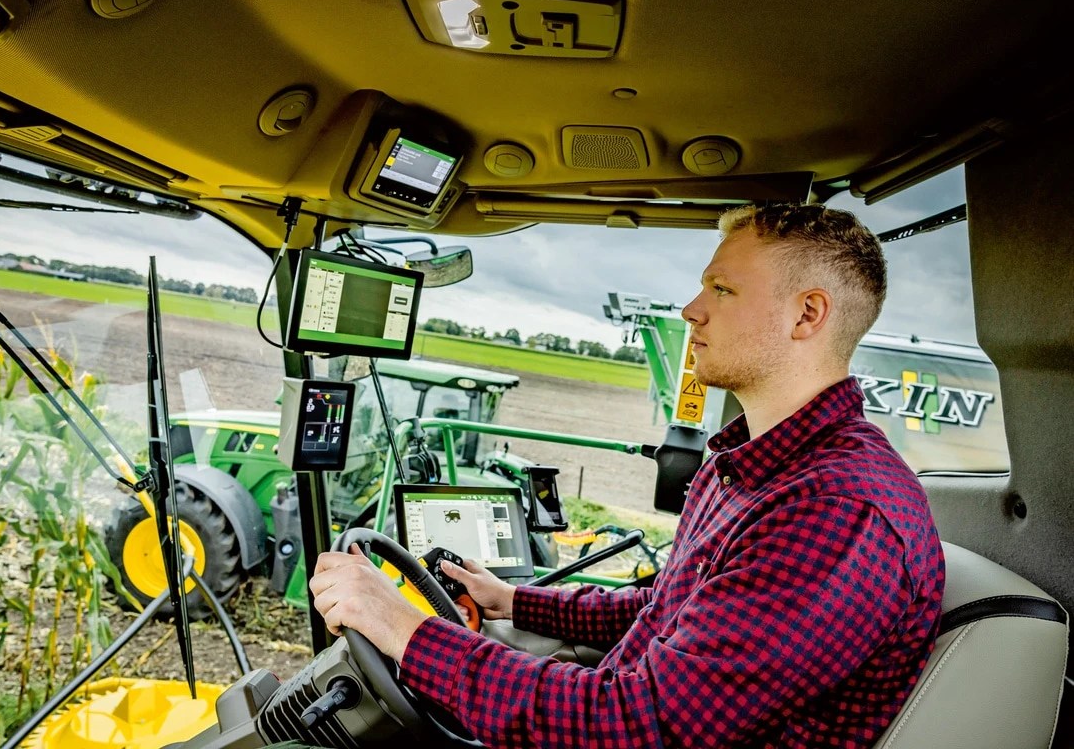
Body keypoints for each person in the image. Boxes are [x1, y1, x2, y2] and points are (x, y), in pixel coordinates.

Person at [310, 203, 945, 748]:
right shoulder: (751, 466)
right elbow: (668, 606)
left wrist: (406, 631)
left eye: (722, 290)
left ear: (807, 314)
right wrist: (515, 601)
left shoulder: (835, 511)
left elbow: (639, 726)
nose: (691, 310)